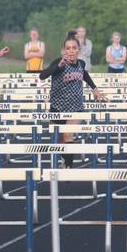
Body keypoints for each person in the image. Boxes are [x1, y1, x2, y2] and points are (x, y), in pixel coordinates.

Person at [40, 30, 106, 168]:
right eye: (68, 48)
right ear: (64, 50)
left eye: (74, 48)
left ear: (78, 49)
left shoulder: (81, 63)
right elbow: (42, 76)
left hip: (76, 107)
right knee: (61, 139)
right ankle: (65, 160)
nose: (71, 51)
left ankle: (68, 168)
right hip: (57, 107)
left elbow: (85, 75)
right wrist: (58, 66)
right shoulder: (58, 62)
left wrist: (95, 89)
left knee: (68, 136)